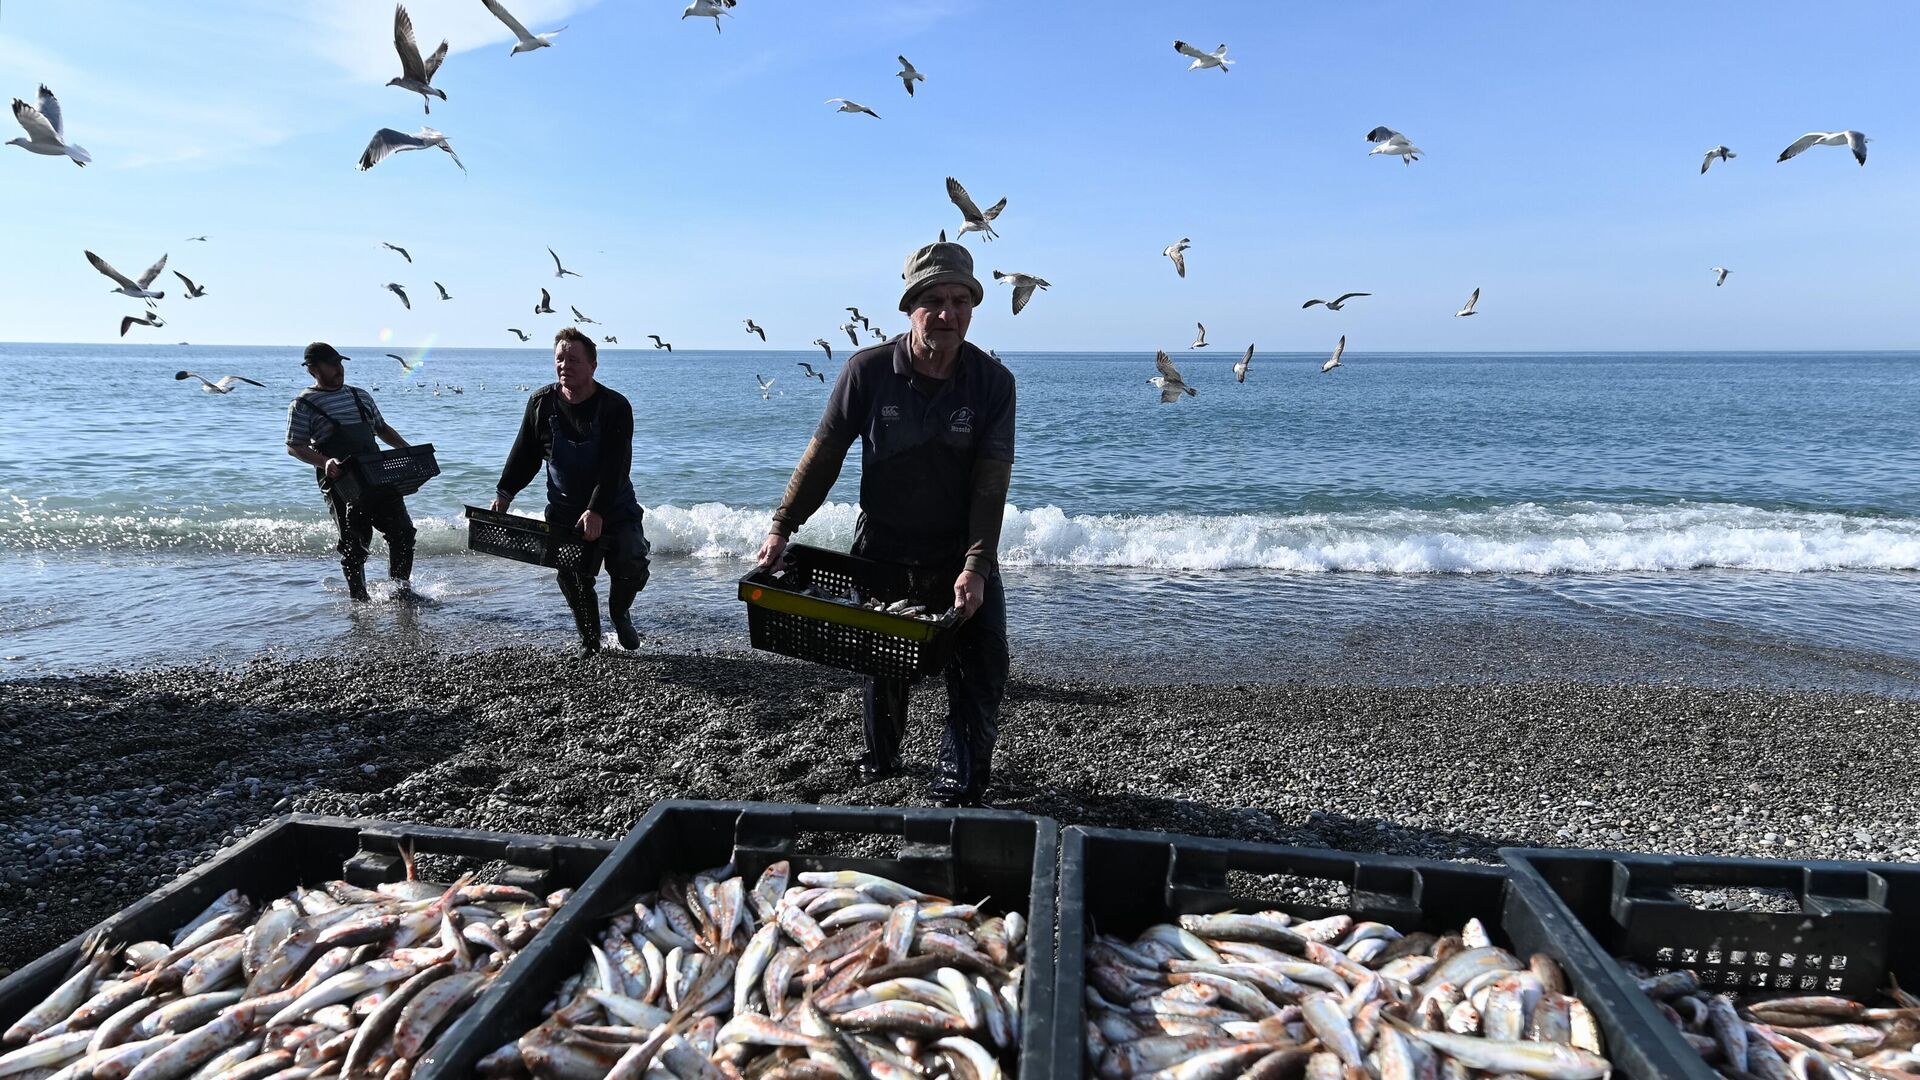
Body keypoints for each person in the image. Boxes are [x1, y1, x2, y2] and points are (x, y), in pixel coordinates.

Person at [756, 240, 1015, 807]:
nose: (948, 314)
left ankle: (960, 783)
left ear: (972, 307)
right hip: (884, 548)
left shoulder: (994, 383)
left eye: (960, 301)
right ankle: (882, 760)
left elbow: (990, 485)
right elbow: (823, 456)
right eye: (933, 301)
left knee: (983, 663)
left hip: (959, 550)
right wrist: (782, 526)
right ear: (909, 307)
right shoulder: (866, 370)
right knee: (886, 663)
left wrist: (976, 565)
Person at [493, 326, 651, 658]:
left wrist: (596, 509)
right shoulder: (540, 403)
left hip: (614, 505)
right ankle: (590, 640)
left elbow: (616, 465)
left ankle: (620, 612)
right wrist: (505, 493)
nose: (565, 365)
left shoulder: (615, 406)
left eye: (573, 359)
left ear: (593, 365)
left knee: (630, 561)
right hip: (564, 509)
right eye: (559, 359)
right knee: (572, 575)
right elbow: (524, 454)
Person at [285, 341, 418, 602]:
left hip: (378, 474)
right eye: (331, 363)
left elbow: (381, 428)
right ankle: (360, 599)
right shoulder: (303, 403)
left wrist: (405, 448)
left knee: (403, 532)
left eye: (340, 362)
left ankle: (401, 592)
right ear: (312, 369)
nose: (339, 368)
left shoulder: (360, 395)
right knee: (354, 543)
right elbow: (294, 446)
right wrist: (324, 462)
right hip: (340, 481)